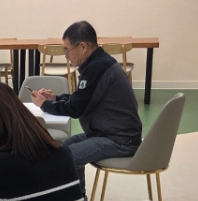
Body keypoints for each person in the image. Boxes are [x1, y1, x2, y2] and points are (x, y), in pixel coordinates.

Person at [29, 21, 142, 187]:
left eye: (67, 50)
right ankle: (78, 196)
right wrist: (56, 99)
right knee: (60, 149)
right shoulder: (99, 63)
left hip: (120, 140)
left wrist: (45, 104)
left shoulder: (98, 67)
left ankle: (76, 200)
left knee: (65, 156)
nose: (66, 55)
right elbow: (83, 99)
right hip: (106, 133)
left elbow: (76, 109)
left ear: (83, 47)